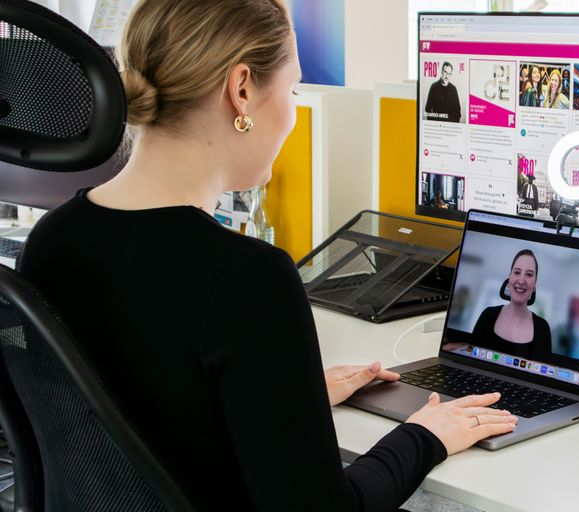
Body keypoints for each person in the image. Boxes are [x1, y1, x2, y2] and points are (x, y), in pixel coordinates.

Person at [16, 1, 515, 509]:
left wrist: (281, 400)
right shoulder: (247, 279)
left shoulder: (53, 240)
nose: (294, 110)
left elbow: (133, 412)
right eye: (293, 88)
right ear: (242, 91)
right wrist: (426, 434)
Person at [472, 250, 552, 360]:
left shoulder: (543, 328)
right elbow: (470, 357)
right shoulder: (488, 315)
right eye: (517, 272)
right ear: (509, 278)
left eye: (529, 274)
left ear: (534, 285)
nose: (521, 280)